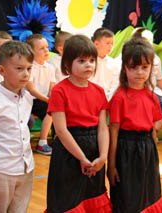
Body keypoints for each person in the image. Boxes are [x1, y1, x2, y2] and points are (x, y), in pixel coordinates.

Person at [46, 34, 112, 212]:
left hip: (94, 153)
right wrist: (82, 158)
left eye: (91, 60)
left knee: (92, 198)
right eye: (82, 60)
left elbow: (103, 129)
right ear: (67, 64)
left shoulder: (99, 91)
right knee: (68, 201)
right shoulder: (60, 90)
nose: (88, 65)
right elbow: (61, 130)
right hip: (70, 153)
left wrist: (103, 157)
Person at [108, 39, 162, 213]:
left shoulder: (152, 96)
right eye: (133, 67)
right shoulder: (120, 97)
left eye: (144, 67)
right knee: (128, 199)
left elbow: (154, 130)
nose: (139, 72)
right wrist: (111, 166)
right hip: (125, 150)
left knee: (148, 196)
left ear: (151, 68)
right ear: (124, 68)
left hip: (147, 151)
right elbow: (113, 132)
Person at [0, 40, 34, 212]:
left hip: (26, 168)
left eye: (29, 68)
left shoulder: (28, 97)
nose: (25, 73)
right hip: (1, 171)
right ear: (1, 71)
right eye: (19, 68)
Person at [26, 34, 56, 155]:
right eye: (41, 48)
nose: (46, 50)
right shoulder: (29, 67)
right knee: (51, 109)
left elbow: (52, 89)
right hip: (29, 99)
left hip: (43, 100)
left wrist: (53, 99)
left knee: (57, 109)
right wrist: (48, 100)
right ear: (32, 51)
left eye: (47, 47)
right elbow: (31, 90)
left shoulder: (50, 67)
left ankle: (55, 140)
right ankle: (42, 144)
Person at [89, 27, 121, 101]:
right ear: (96, 44)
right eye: (107, 43)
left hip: (107, 100)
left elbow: (115, 84)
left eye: (112, 44)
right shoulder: (88, 62)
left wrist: (108, 98)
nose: (110, 47)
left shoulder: (114, 64)